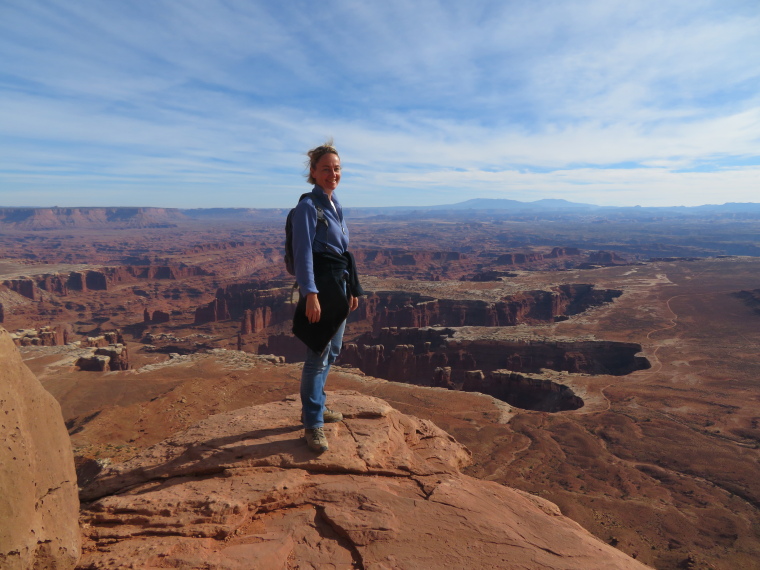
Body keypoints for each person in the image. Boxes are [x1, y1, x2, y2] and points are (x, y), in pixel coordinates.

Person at [291, 140, 363, 453]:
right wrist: (310, 294)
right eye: (326, 169)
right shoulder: (309, 206)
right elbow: (303, 251)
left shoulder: (334, 204)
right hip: (322, 288)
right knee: (317, 357)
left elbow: (343, 252)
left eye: (336, 169)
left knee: (331, 352)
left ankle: (317, 407)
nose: (332, 173)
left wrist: (353, 288)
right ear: (313, 172)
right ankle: (313, 424)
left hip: (339, 286)